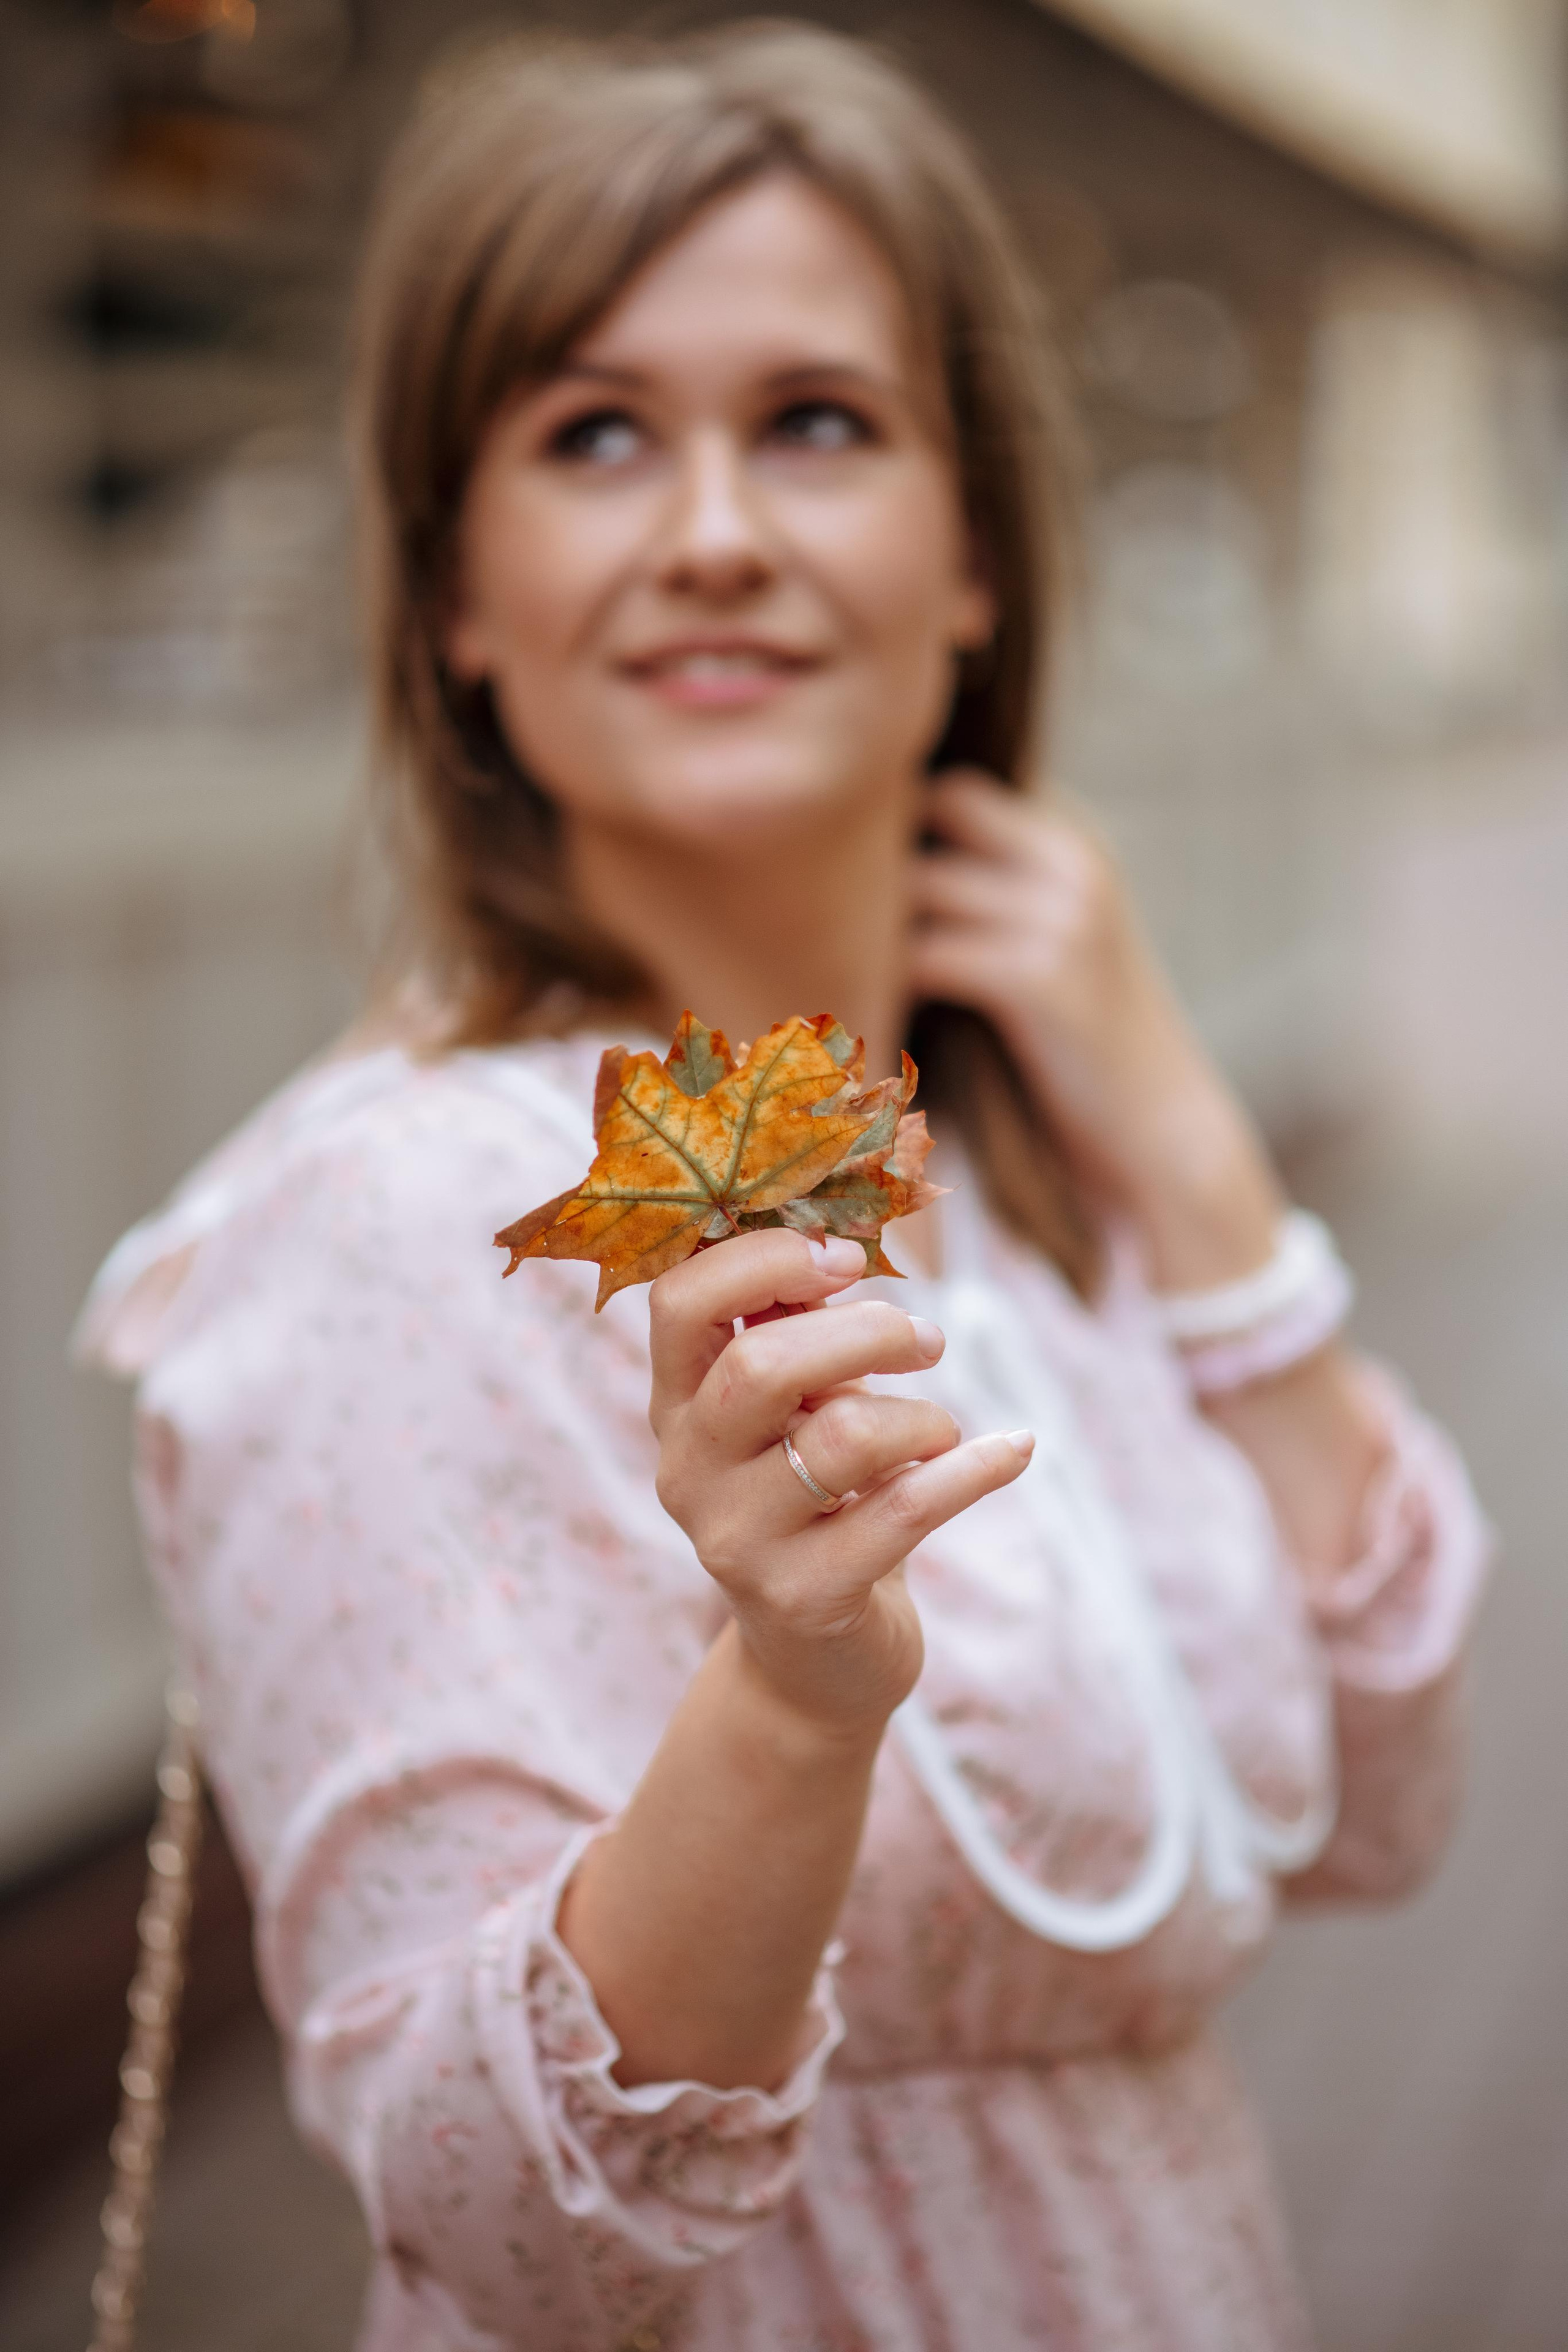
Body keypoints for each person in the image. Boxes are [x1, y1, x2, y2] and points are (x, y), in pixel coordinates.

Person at [78, 23, 1489, 2351]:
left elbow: (1382, 1813)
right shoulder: (381, 1223)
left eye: (817, 422)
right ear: (457, 599)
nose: (713, 529)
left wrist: (1206, 1171)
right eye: (594, 432)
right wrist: (794, 1697)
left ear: (969, 562)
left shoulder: (1041, 1151)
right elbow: (494, 2218)